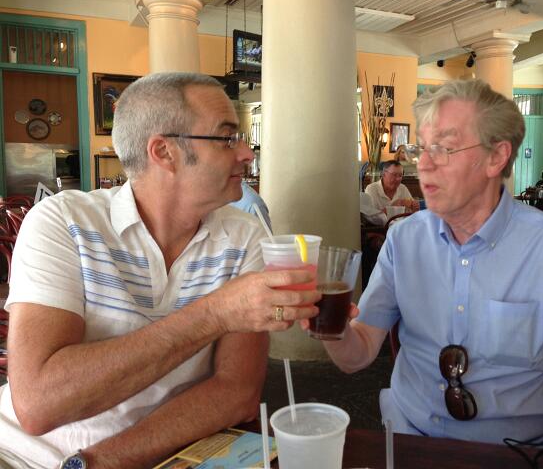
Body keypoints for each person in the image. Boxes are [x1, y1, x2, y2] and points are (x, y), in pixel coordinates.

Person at [0, 72, 320, 469]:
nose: (246, 153)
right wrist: (215, 313)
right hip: (22, 456)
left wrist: (96, 463)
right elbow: (38, 405)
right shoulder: (64, 222)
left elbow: (236, 391)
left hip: (157, 457)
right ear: (164, 151)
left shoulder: (245, 237)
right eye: (227, 138)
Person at [315, 79, 543, 452]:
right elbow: (357, 355)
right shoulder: (403, 240)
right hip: (407, 440)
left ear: (496, 157)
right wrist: (331, 325)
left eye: (444, 148)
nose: (424, 164)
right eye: (421, 148)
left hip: (512, 454)